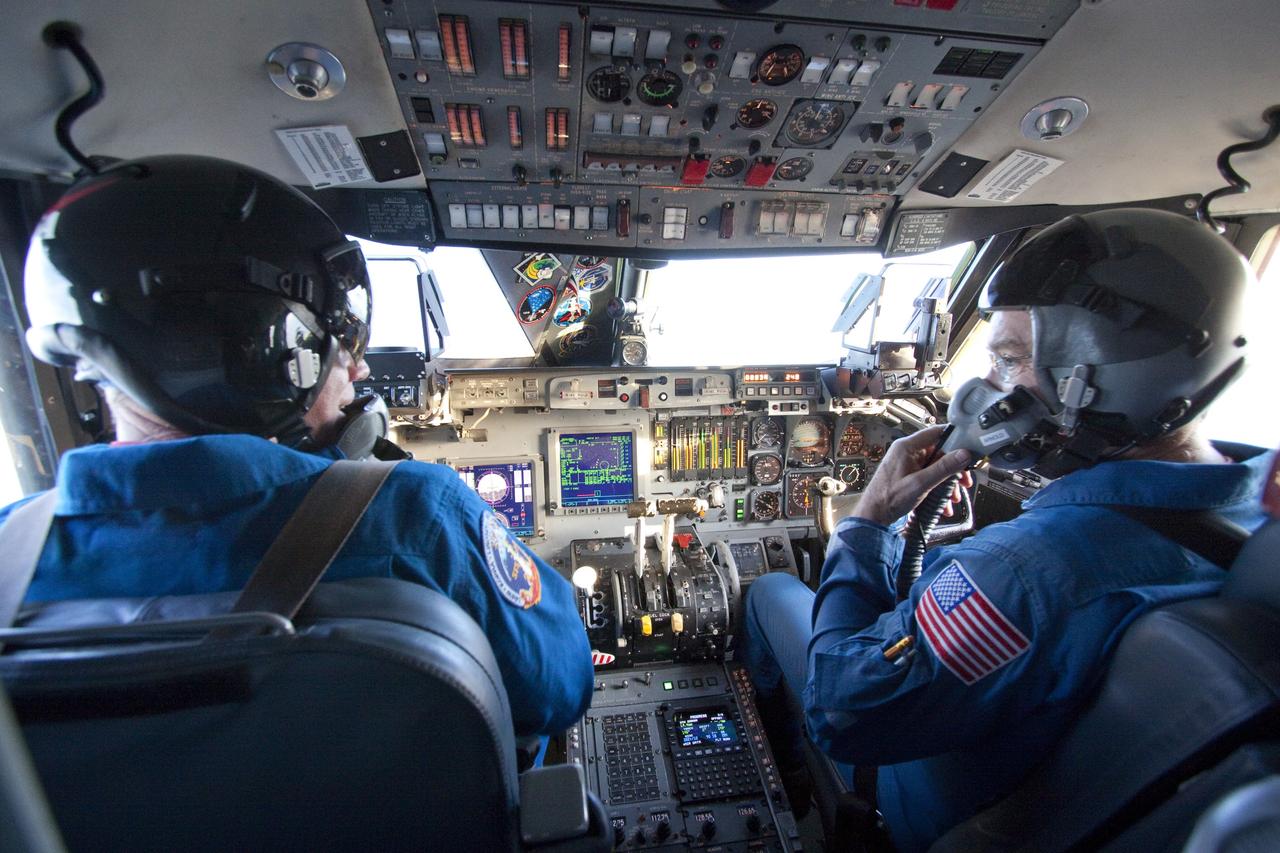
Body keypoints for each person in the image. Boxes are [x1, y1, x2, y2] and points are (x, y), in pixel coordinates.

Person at [740, 208, 1273, 851]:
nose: (986, 389)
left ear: (1100, 378)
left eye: (1011, 361)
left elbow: (840, 706)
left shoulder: (1030, 572)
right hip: (1041, 765)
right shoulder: (1257, 508)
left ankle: (789, 776)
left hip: (921, 794)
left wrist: (869, 521)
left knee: (770, 591)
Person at [5, 155, 593, 736]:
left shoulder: (12, 556)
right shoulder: (413, 516)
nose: (360, 372)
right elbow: (560, 687)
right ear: (273, 353)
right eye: (345, 347)